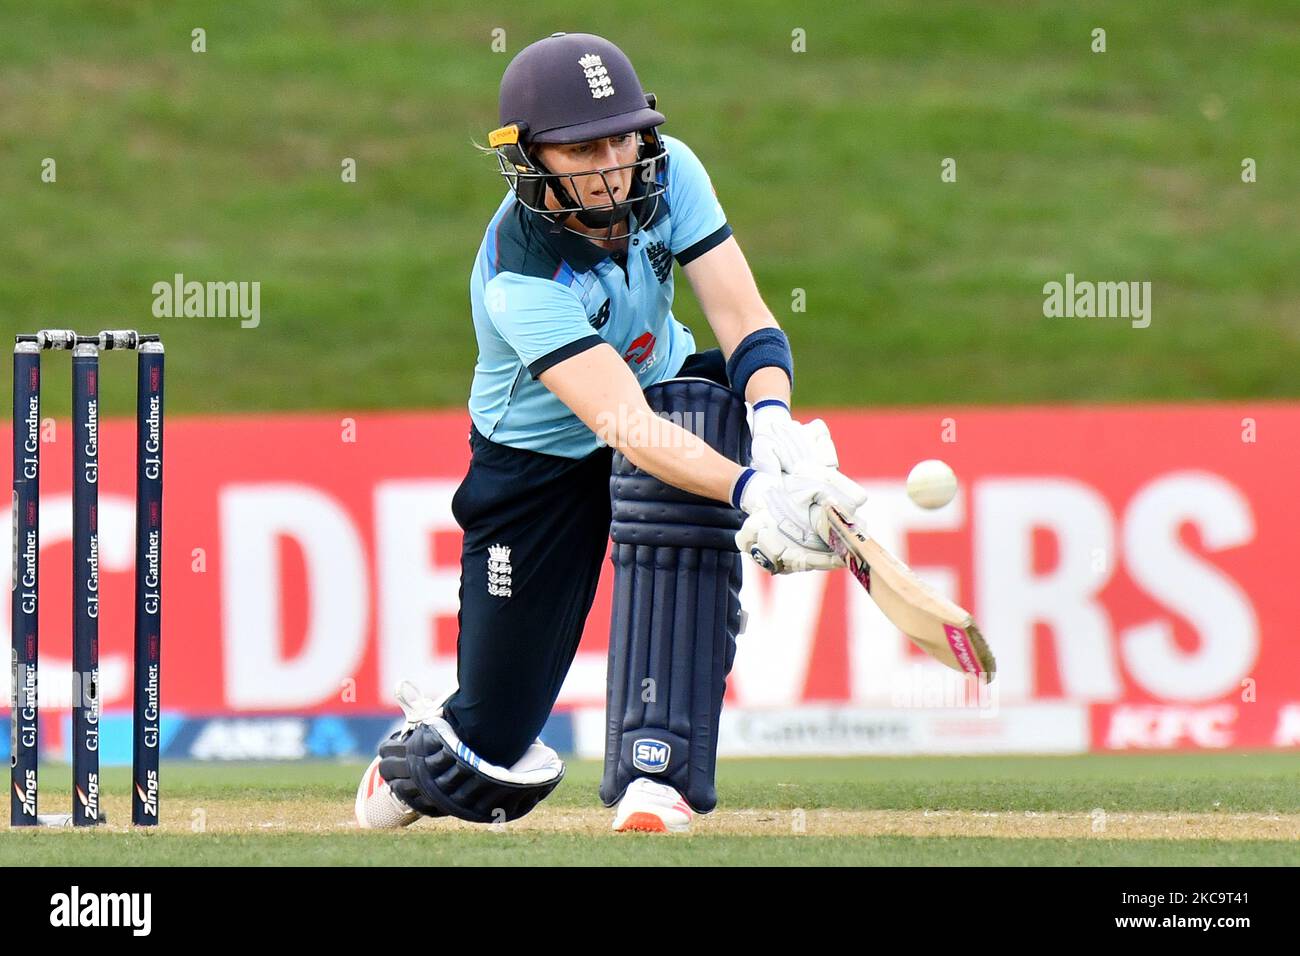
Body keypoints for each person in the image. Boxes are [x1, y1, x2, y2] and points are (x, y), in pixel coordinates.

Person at [354, 31, 865, 833]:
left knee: (695, 443)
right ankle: (423, 756)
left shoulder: (676, 171)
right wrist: (754, 488)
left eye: (622, 136)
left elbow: (741, 315)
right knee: (488, 748)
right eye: (581, 147)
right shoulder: (518, 275)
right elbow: (620, 422)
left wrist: (773, 426)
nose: (611, 162)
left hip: (665, 393)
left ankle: (653, 774)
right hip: (537, 466)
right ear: (530, 156)